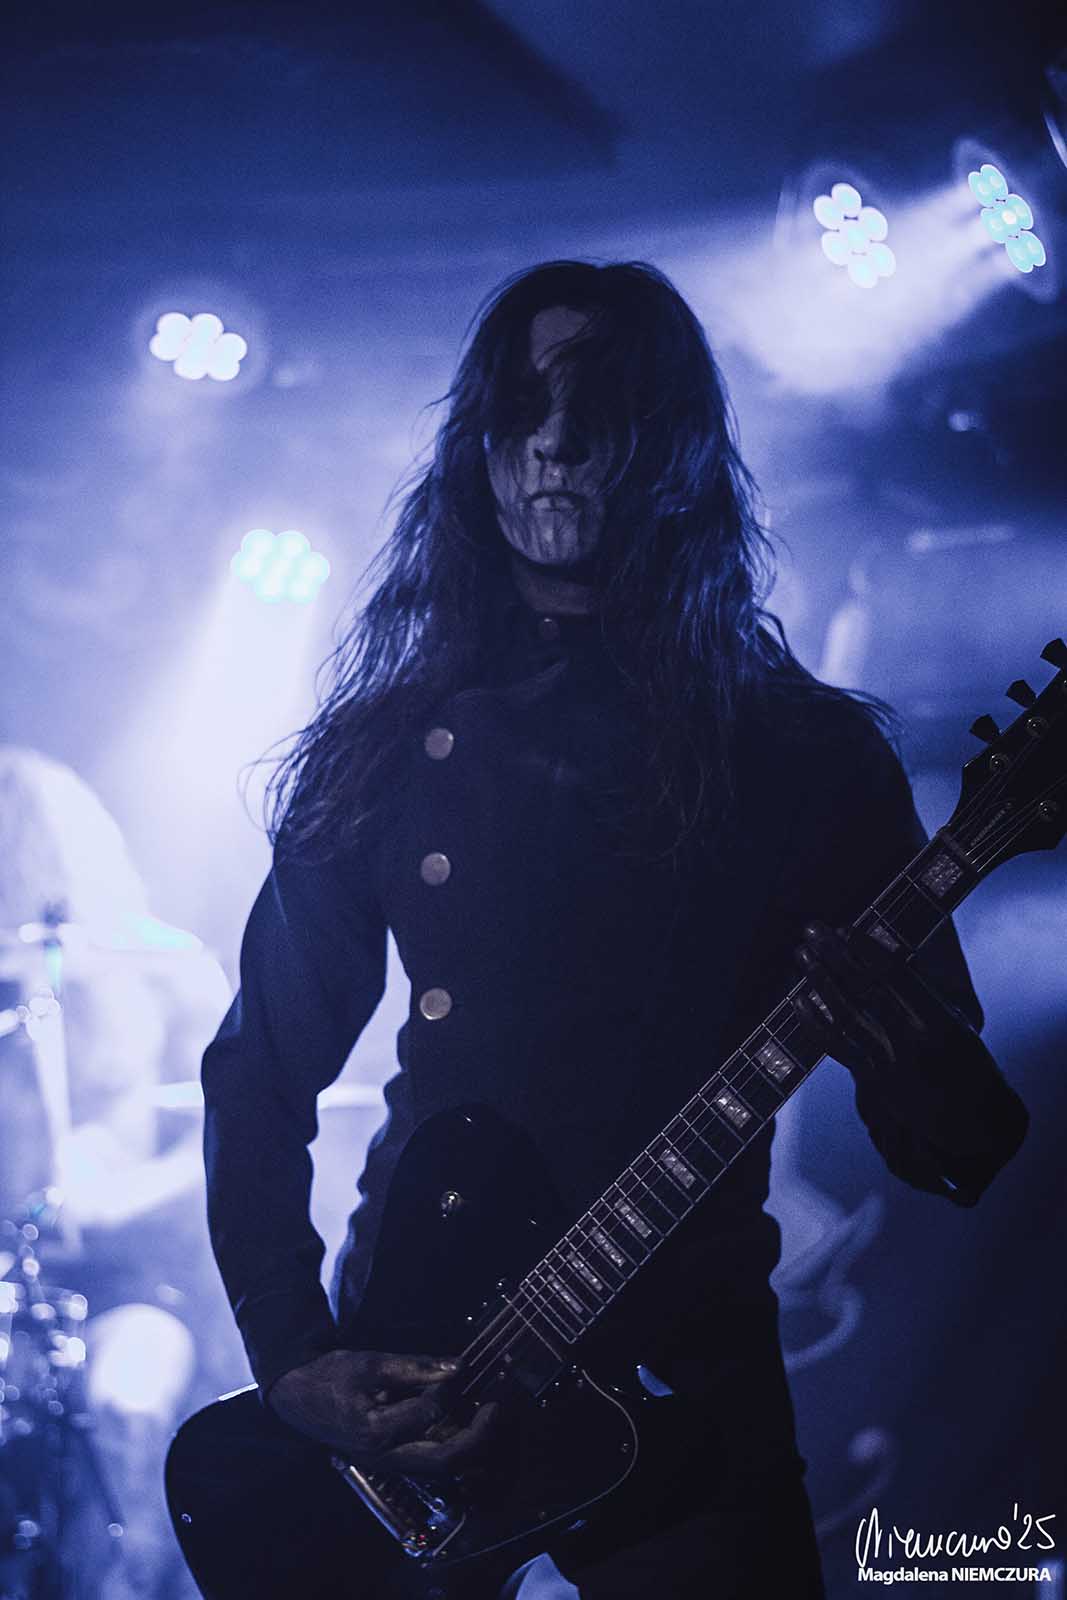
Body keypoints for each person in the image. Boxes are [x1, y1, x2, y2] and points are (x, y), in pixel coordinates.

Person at [196, 261, 1028, 1597]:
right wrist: (293, 1357)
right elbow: (258, 1071)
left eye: (596, 407)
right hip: (425, 1369)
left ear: (674, 448)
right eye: (518, 407)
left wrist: (907, 1046)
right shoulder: (393, 745)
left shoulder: (802, 755)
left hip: (685, 1377)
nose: (552, 442)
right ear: (475, 446)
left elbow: (961, 1148)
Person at [0, 746, 243, 1600]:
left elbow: (231, 1142)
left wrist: (113, 1203)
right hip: (12, 1287)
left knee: (125, 1405)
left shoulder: (163, 970)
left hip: (136, 1287)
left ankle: (127, 1584)